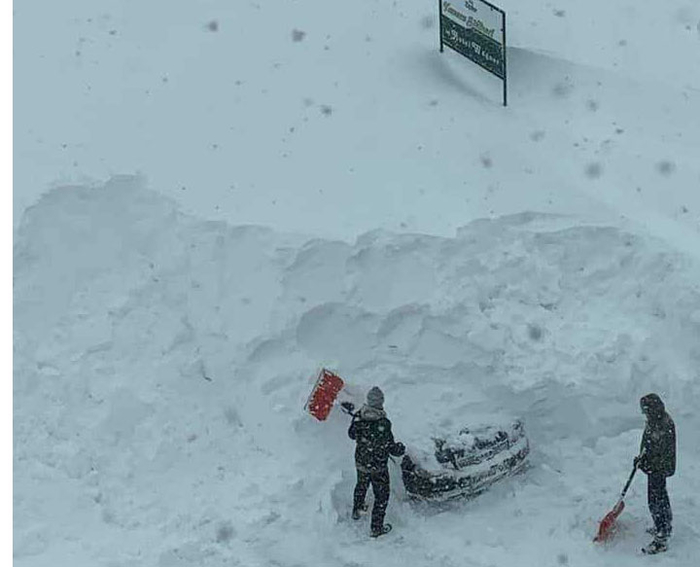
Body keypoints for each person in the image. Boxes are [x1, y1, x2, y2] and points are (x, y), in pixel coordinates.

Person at [348, 386, 405, 538]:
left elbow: (351, 435)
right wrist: (400, 448)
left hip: (361, 462)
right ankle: (376, 528)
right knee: (381, 496)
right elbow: (391, 447)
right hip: (378, 466)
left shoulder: (360, 416)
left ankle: (357, 510)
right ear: (381, 402)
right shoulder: (383, 423)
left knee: (361, 485)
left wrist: (356, 421)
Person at [635, 393, 676, 555]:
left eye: (645, 410)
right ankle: (663, 526)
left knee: (656, 500)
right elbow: (648, 444)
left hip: (659, 468)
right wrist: (641, 457)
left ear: (652, 409)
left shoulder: (662, 425)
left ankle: (662, 538)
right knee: (658, 497)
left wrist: (646, 465)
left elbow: (661, 454)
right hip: (654, 466)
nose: (644, 414)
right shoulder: (655, 421)